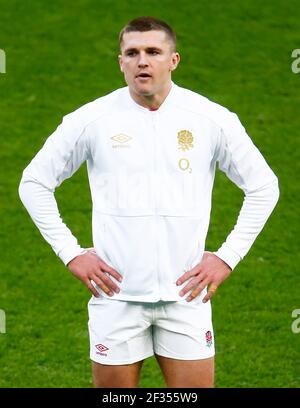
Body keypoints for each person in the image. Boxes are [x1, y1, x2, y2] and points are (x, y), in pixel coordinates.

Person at [18, 16, 279, 388]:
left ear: (173, 60)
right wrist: (71, 253)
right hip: (116, 297)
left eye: (153, 51)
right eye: (132, 52)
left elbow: (264, 186)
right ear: (120, 62)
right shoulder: (91, 120)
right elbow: (34, 182)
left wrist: (227, 256)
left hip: (186, 298)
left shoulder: (211, 119)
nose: (143, 60)